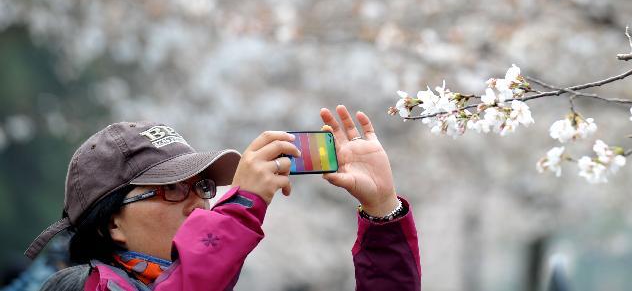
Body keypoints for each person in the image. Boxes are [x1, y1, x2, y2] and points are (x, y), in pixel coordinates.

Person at [25, 106, 420, 291]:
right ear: (111, 223)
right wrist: (242, 206)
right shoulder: (82, 285)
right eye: (174, 188)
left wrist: (383, 210)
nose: (199, 203)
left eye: (203, 187)